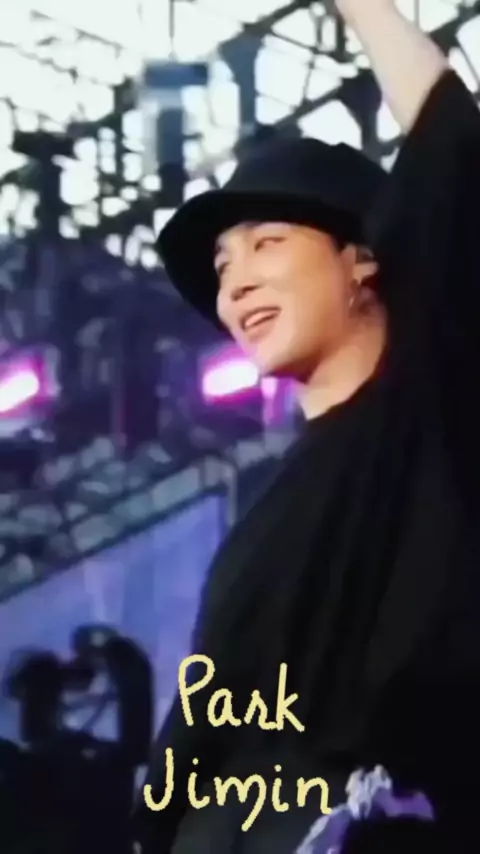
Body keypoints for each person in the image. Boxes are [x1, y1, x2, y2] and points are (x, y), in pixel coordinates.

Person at [133, 0, 480, 851]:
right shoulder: (259, 527)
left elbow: (451, 148)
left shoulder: (431, 398)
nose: (236, 283)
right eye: (224, 267)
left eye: (268, 243)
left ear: (362, 257)